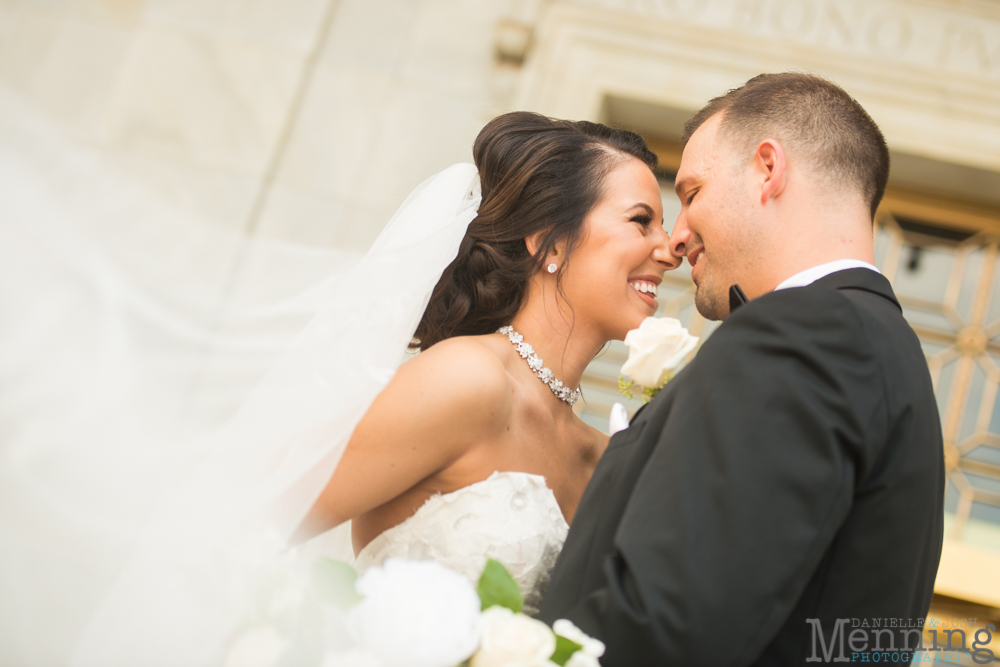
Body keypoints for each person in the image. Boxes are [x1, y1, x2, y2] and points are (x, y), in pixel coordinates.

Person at [538, 72, 945, 665]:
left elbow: (669, 627)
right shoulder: (887, 353)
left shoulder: (801, 331)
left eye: (693, 192)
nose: (675, 239)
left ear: (767, 168)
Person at [295, 110, 680, 613]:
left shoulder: (605, 456)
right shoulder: (466, 380)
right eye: (641, 220)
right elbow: (255, 523)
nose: (671, 250)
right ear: (550, 241)